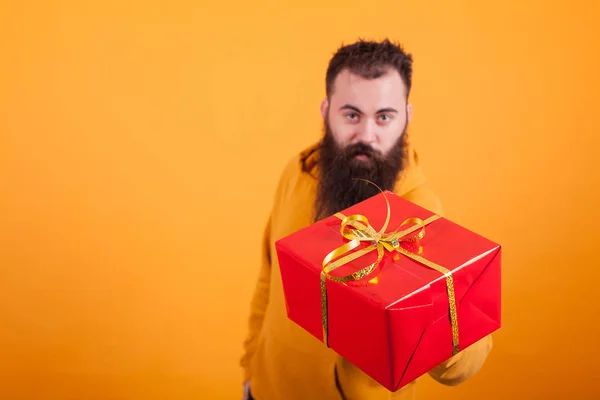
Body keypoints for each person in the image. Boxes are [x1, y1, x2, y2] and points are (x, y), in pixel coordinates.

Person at [239, 38, 493, 400]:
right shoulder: (298, 173)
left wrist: (426, 299)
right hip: (264, 390)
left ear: (406, 116)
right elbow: (269, 275)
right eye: (352, 114)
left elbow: (465, 366)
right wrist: (250, 366)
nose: (367, 136)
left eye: (384, 116)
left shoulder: (420, 216)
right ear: (327, 112)